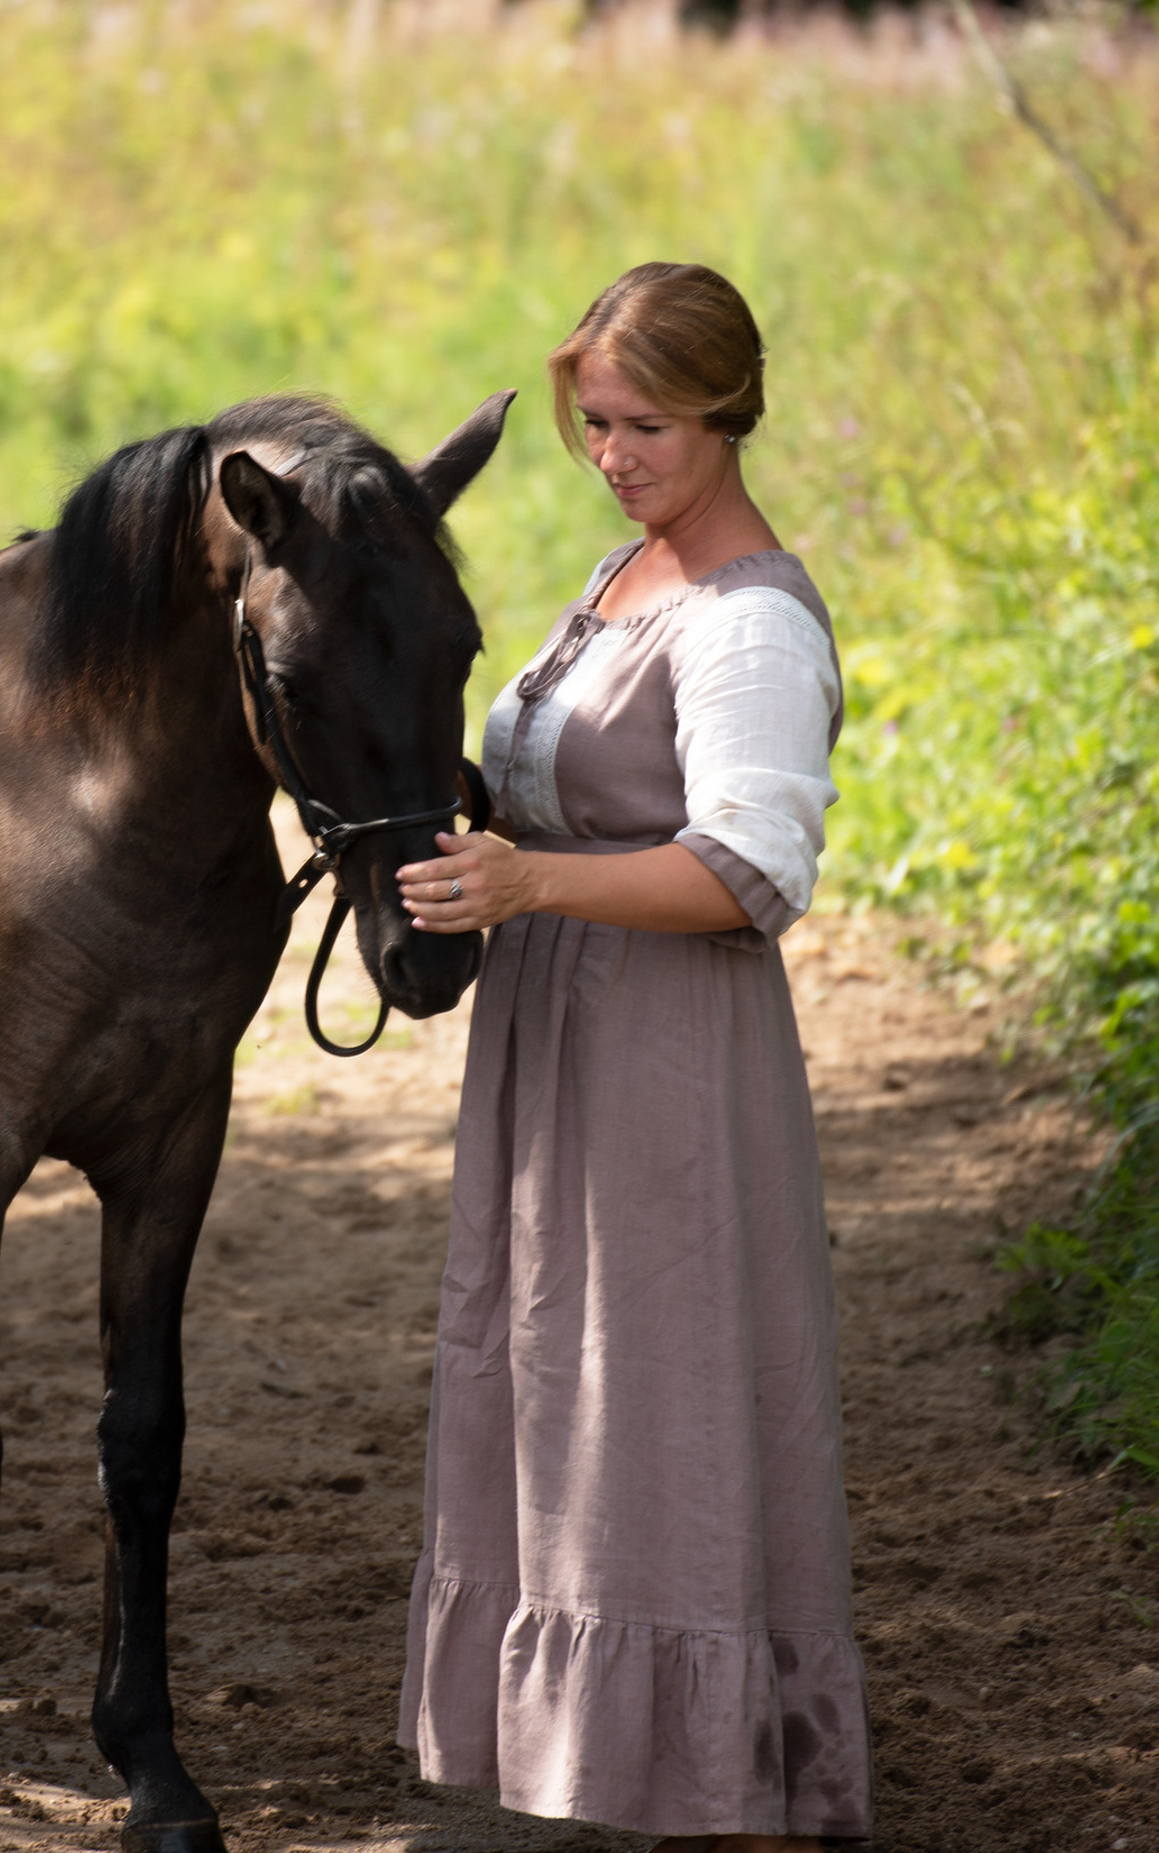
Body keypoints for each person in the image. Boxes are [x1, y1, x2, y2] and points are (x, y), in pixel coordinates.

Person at [393, 263, 871, 1852]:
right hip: (562, 1045)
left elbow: (749, 871)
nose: (614, 454)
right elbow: (562, 779)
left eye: (647, 424)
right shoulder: (629, 572)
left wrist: (530, 883)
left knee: (659, 1404)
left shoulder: (746, 625)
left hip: (669, 1062)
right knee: (567, 1387)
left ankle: (732, 1804)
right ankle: (637, 1781)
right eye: (594, 424)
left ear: (729, 408)